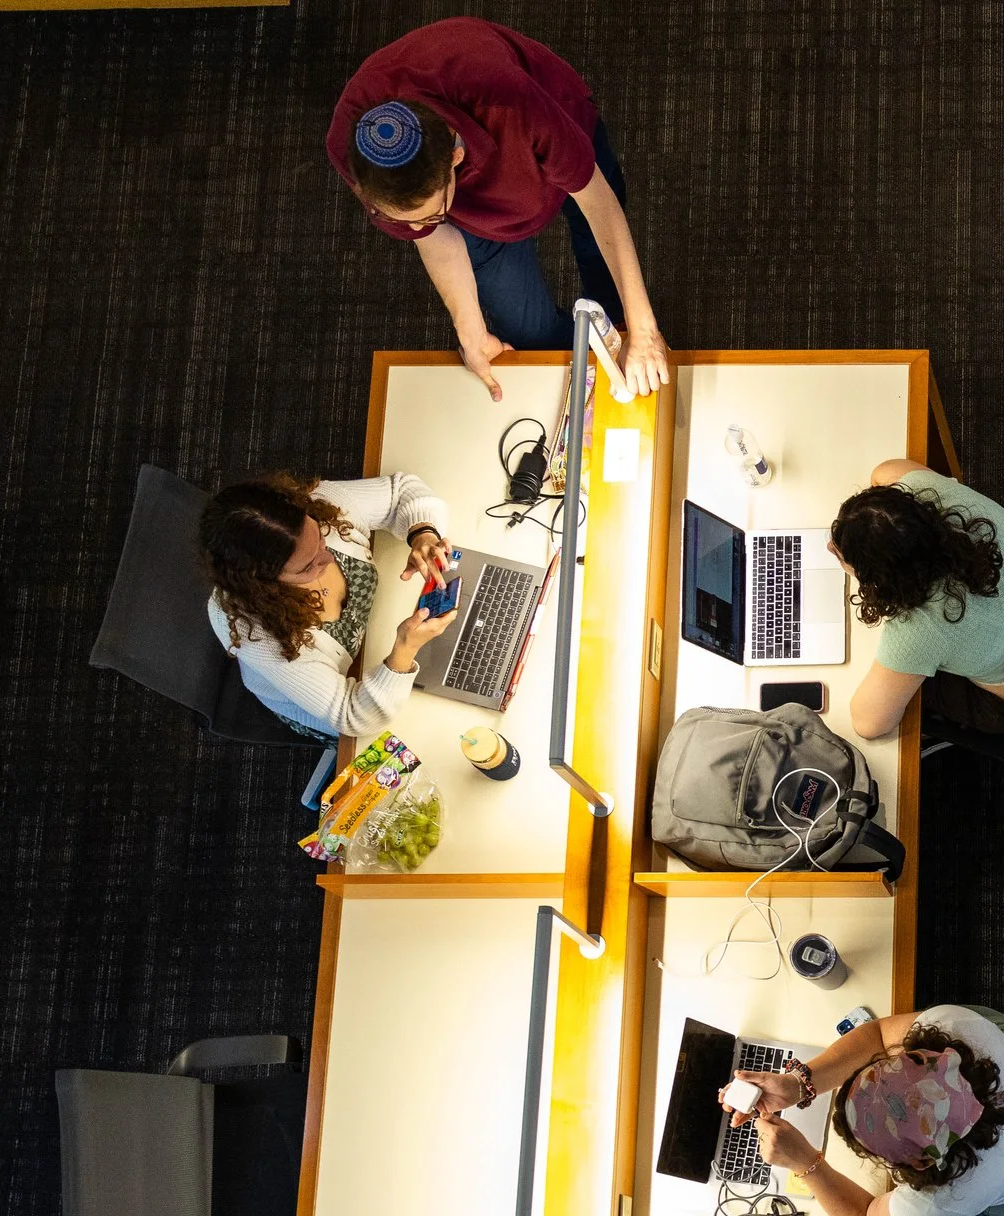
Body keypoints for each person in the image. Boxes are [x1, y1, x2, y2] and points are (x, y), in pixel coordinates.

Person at [326, 19, 668, 402]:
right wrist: (471, 331)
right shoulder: (353, 148)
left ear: (455, 159)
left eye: (433, 214)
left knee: (595, 245)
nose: (416, 228)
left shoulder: (509, 102)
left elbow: (598, 203)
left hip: (545, 135)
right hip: (478, 220)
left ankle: (615, 323)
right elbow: (434, 236)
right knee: (531, 335)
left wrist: (644, 331)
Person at [728, 1005, 1004, 1216]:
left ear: (921, 1161)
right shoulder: (957, 1024)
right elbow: (877, 1035)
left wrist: (805, 1163)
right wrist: (800, 1084)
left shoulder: (939, 1200)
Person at [832, 462, 1004, 740]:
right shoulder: (929, 490)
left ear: (882, 578)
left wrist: (858, 568)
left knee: (914, 690)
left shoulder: (921, 628)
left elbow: (869, 724)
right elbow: (884, 471)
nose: (830, 548)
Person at [200, 472, 458, 739]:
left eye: (319, 538)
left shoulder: (319, 507)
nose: (327, 558)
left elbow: (401, 491)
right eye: (308, 566)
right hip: (334, 704)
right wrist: (405, 648)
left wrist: (422, 534)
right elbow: (353, 716)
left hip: (378, 635)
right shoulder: (256, 631)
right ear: (263, 582)